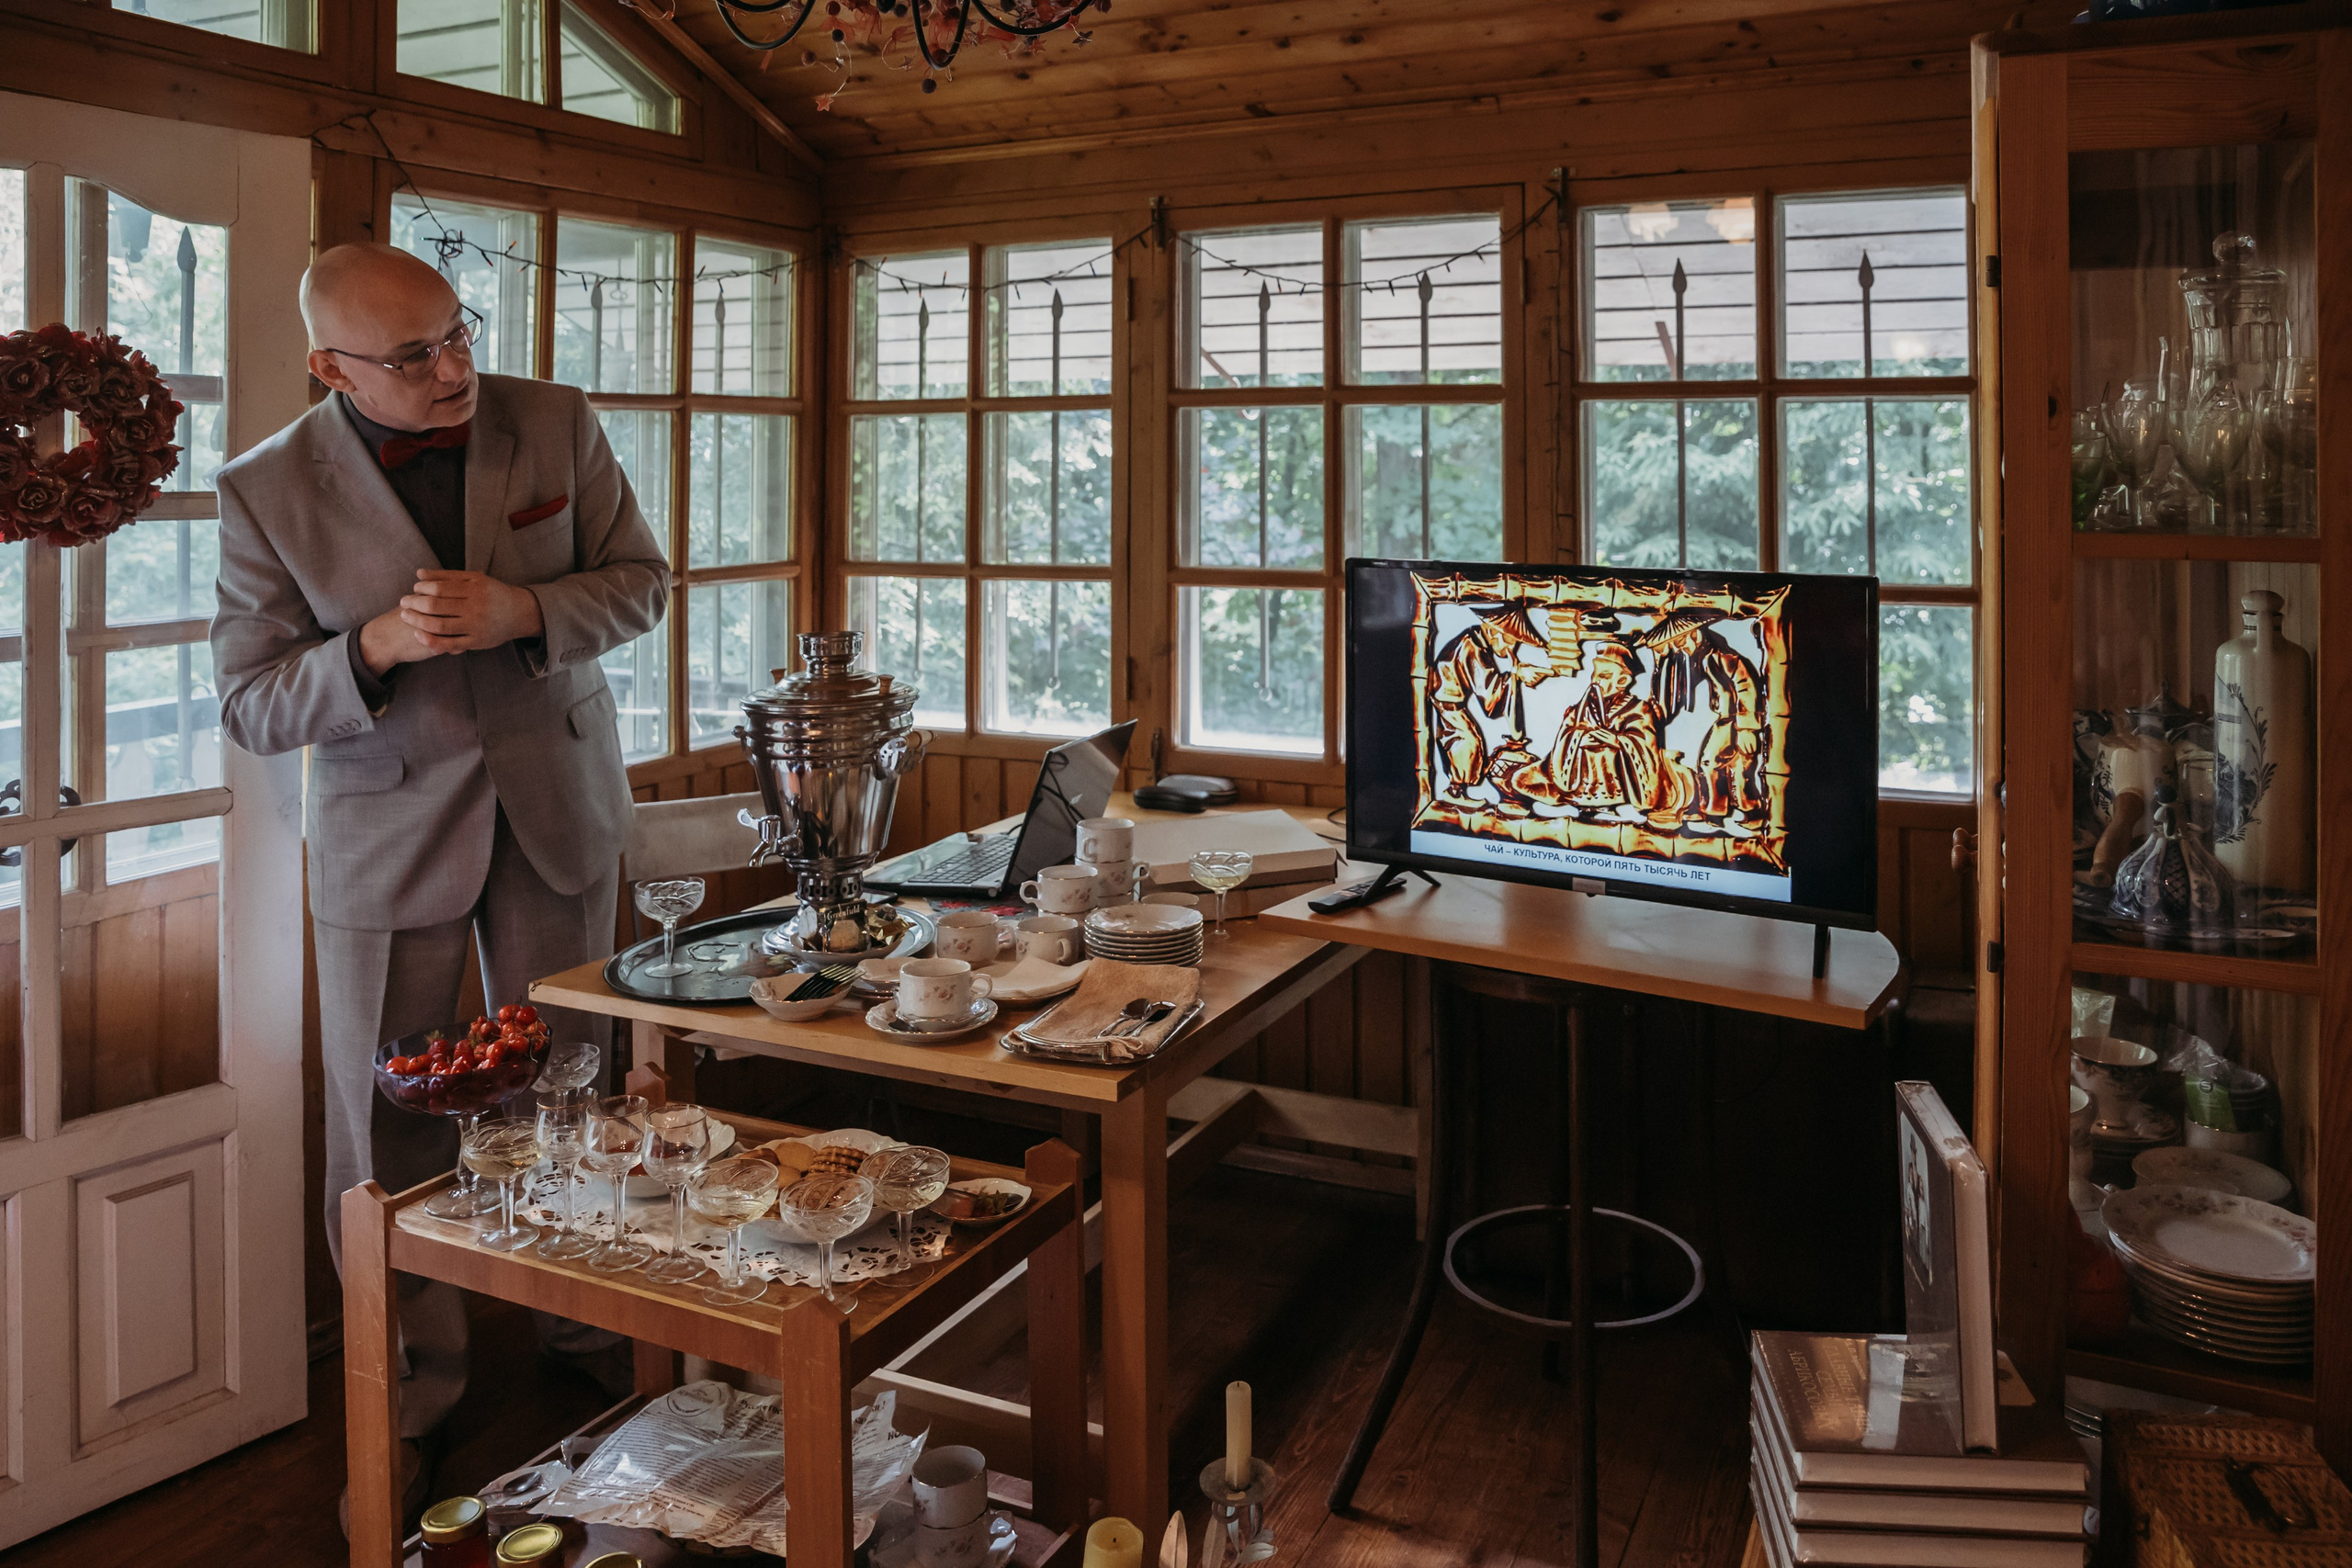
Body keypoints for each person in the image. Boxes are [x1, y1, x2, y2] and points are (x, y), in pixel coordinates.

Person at [210, 243, 669, 1512]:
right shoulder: (259, 492)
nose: (455, 368)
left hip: (558, 811)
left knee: (573, 1087)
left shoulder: (557, 420)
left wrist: (525, 612)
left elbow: (643, 583)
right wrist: (370, 645)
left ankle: (593, 1339)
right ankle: (403, 1399)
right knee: (389, 1125)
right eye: (413, 357)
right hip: (383, 831)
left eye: (459, 334)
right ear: (329, 367)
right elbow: (249, 702)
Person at [1427, 603, 1549, 813]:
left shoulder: (1475, 641)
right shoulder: (1471, 646)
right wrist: (1516, 676)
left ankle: (1458, 790)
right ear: (1495, 632)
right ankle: (1455, 791)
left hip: (1452, 703)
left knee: (1470, 741)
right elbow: (1488, 691)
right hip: (1448, 702)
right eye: (1512, 642)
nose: (1512, 649)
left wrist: (1515, 674)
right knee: (1467, 743)